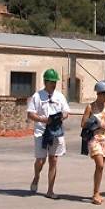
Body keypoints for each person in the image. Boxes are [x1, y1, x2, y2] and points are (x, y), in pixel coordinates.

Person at [27, 68, 70, 199]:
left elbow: (66, 111)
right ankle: (36, 176)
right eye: (51, 81)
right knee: (40, 160)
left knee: (54, 159)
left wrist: (61, 117)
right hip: (41, 131)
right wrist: (42, 119)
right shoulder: (37, 96)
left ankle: (50, 190)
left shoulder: (60, 96)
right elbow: (30, 114)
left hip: (56, 131)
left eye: (55, 82)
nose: (53, 84)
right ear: (45, 82)